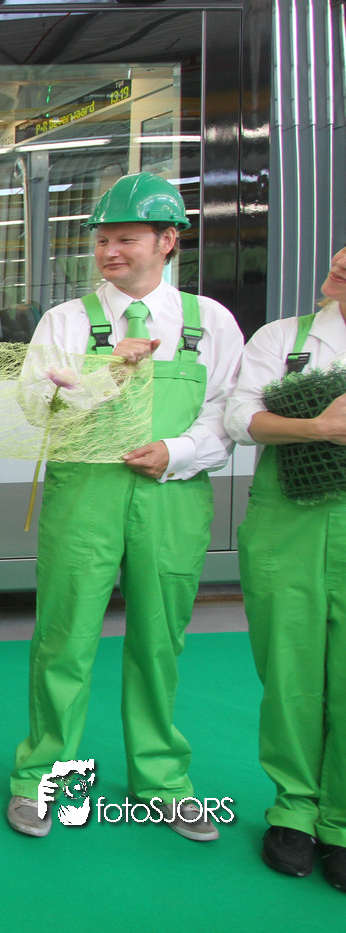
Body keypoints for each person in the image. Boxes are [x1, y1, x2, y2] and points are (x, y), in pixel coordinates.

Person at [5, 172, 242, 840]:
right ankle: (39, 776)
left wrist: (177, 450)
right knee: (64, 636)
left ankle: (162, 780)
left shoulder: (208, 322)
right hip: (85, 493)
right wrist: (104, 373)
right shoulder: (67, 321)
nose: (109, 251)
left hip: (172, 495)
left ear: (167, 241)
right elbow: (34, 405)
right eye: (102, 239)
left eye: (126, 239)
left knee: (159, 640)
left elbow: (227, 411)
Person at [224, 244, 346, 890]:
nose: (342, 259)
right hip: (286, 521)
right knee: (288, 667)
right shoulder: (282, 340)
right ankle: (294, 809)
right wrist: (319, 429)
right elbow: (240, 418)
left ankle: (342, 820)